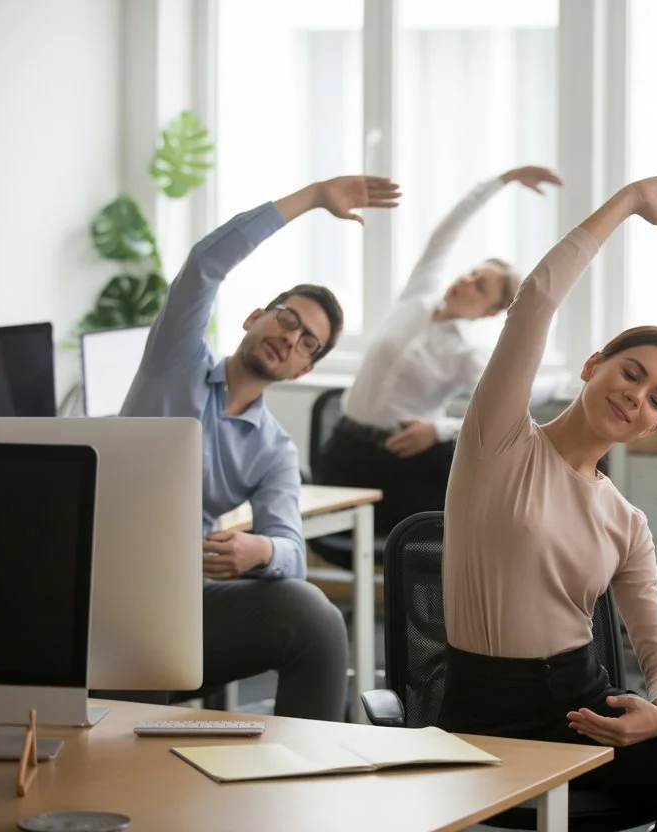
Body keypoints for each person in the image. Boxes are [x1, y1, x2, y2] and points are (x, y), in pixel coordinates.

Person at [439, 173, 657, 829]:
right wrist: (626, 203)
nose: (637, 398)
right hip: (485, 716)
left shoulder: (626, 520)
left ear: (656, 427)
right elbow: (535, 301)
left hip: (582, 704)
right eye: (632, 373)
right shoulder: (499, 441)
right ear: (594, 364)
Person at [120, 174, 400, 721]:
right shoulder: (174, 362)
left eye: (307, 342)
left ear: (304, 368)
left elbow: (291, 549)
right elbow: (206, 263)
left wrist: (260, 552)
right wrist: (313, 198)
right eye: (286, 318)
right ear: (256, 317)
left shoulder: (274, 449)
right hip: (111, 588)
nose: (290, 337)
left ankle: (301, 778)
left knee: (313, 615)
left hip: (184, 604)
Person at [322, 165, 563, 535]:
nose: (465, 282)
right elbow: (446, 231)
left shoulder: (466, 354)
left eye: (479, 287)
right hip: (342, 450)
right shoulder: (418, 296)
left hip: (397, 461)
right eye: (471, 273)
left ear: (489, 312)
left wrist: (439, 428)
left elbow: (508, 406)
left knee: (435, 534)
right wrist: (503, 180)